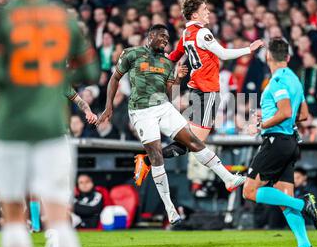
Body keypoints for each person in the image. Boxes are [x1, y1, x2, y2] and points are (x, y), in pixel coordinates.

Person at [0, 0, 99, 247]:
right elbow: (90, 71)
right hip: (51, 127)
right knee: (58, 214)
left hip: (9, 128)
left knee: (13, 213)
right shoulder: (62, 18)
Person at [96, 24, 247, 225]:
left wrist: (177, 78)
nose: (166, 40)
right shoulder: (132, 54)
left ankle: (228, 178)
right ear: (150, 36)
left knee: (193, 141)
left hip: (163, 107)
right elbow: (115, 79)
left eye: (168, 38)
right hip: (141, 111)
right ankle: (169, 208)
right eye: (162, 36)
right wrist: (108, 107)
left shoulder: (166, 61)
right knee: (157, 155)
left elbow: (169, 93)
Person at [133, 0, 263, 183]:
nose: (208, 12)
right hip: (207, 91)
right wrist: (249, 49)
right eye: (204, 10)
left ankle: (227, 179)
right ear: (195, 15)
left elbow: (173, 56)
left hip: (196, 90)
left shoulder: (186, 34)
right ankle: (147, 158)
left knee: (192, 142)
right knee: (194, 143)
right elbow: (224, 54)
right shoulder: (203, 33)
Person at [242, 38, 317, 247]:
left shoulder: (276, 81)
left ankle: (303, 204)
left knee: (249, 191)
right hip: (289, 142)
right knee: (283, 198)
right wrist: (267, 116)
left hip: (276, 142)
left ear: (268, 57)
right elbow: (303, 114)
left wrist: (261, 124)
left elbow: (285, 111)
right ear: (287, 57)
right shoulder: (295, 80)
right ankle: (305, 246)